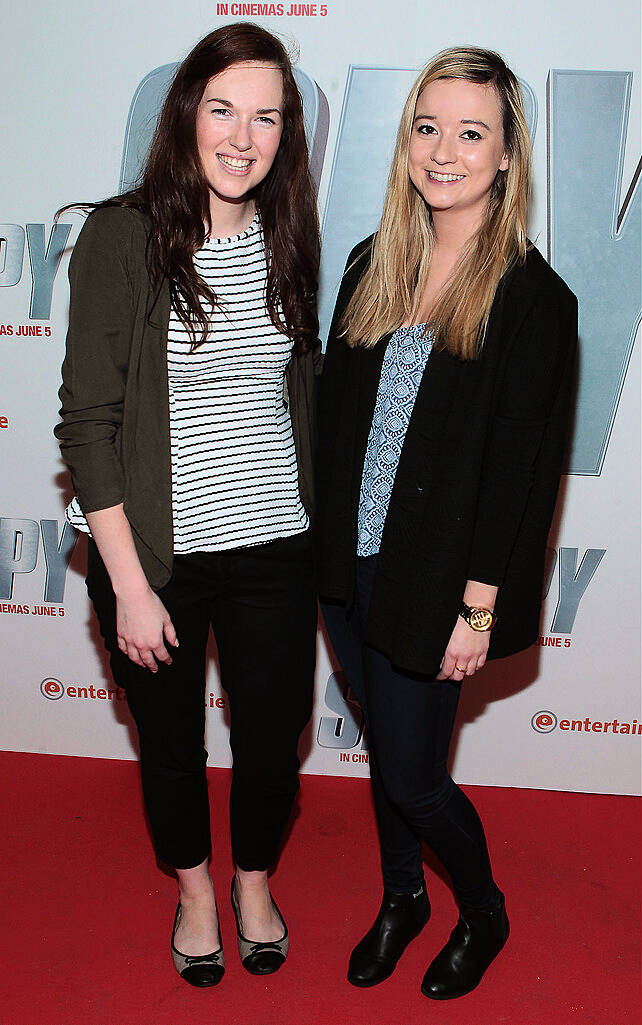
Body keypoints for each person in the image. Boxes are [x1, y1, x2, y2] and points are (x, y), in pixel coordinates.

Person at [55, 22, 321, 987]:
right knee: (170, 745)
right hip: (156, 557)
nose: (243, 136)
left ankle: (254, 878)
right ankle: (198, 890)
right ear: (186, 114)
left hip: (274, 547)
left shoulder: (289, 232)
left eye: (267, 117)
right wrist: (127, 586)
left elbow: (296, 389)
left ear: (286, 134)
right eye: (223, 109)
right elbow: (87, 422)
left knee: (271, 736)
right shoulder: (123, 236)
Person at [316, 46, 577, 1001]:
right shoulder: (370, 263)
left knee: (419, 778)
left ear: (508, 157)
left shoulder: (533, 301)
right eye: (428, 127)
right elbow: (337, 418)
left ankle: (481, 909)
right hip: (349, 565)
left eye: (472, 133)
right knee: (388, 756)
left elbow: (520, 475)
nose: (445, 151)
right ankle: (401, 899)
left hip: (438, 581)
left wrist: (478, 611)